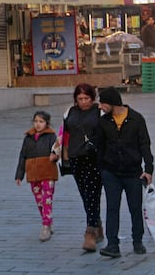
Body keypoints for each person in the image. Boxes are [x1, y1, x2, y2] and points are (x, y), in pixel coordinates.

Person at [96, 86, 154, 258]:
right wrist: (102, 170)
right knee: (112, 208)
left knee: (135, 207)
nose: (100, 106)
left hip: (133, 172)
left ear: (112, 103)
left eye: (103, 103)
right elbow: (100, 147)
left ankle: (138, 241)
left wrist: (149, 169)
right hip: (110, 172)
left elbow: (145, 145)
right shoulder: (104, 121)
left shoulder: (136, 119)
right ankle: (112, 244)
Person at [61, 82, 103, 252]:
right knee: (85, 195)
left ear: (92, 98)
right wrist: (63, 154)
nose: (84, 102)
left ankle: (90, 232)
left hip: (94, 159)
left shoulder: (99, 112)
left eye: (87, 98)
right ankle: (97, 225)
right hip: (75, 157)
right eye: (80, 99)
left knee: (93, 194)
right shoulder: (70, 112)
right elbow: (65, 134)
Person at [14, 110, 60, 242]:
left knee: (47, 199)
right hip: (33, 174)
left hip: (47, 172)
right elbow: (23, 156)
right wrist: (19, 175)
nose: (38, 124)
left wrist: (55, 156)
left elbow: (57, 150)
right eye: (36, 121)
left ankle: (45, 226)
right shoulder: (28, 137)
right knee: (39, 201)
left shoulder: (51, 136)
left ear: (47, 123)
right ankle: (47, 220)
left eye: (41, 121)